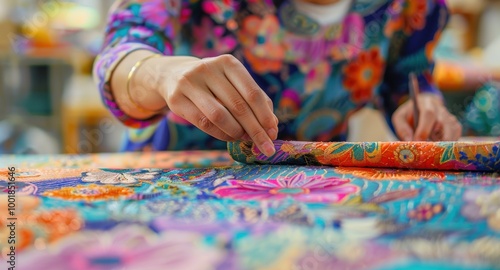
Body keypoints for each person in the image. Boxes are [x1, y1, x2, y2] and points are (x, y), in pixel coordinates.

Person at [94, 0, 462, 157]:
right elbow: (124, 52)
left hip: (317, 200)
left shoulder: (415, 6)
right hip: (174, 190)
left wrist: (420, 105)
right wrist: (159, 72)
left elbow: (406, 75)